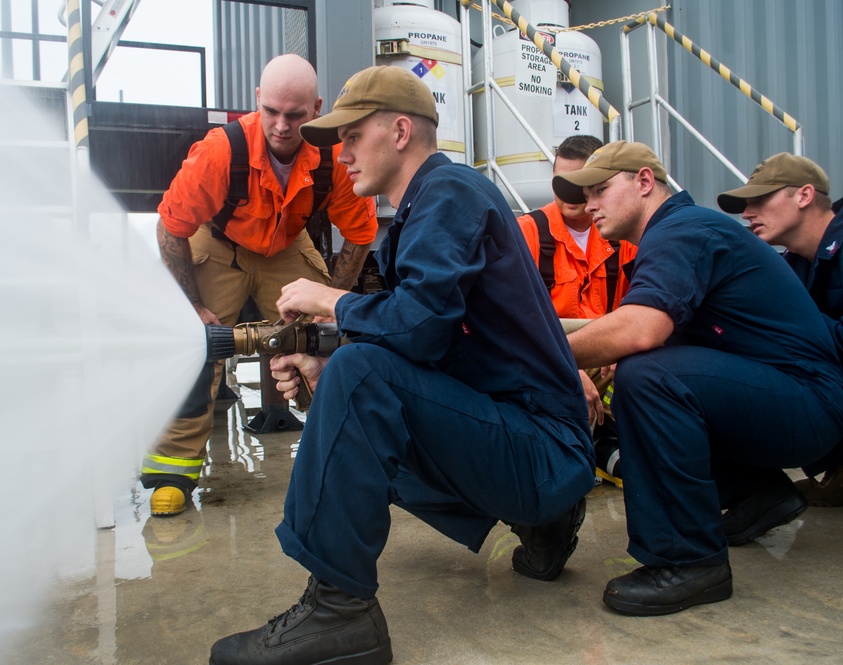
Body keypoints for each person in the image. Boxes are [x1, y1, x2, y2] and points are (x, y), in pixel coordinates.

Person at [208, 65, 593, 665]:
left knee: (359, 371)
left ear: (401, 130)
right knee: (353, 376)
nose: (343, 153)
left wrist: (330, 300)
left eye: (353, 137)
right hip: (532, 450)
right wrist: (321, 372)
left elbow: (415, 326)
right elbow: (429, 349)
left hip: (543, 451)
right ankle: (543, 522)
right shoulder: (427, 207)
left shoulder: (449, 193)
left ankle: (341, 610)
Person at [554, 141, 843, 616]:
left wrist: (548, 356)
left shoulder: (682, 230)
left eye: (601, 190)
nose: (589, 206)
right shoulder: (682, 233)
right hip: (793, 402)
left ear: (644, 182)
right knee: (654, 373)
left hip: (806, 404)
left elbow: (642, 328)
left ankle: (688, 560)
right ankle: (758, 495)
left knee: (647, 376)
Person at [143, 54, 378, 516]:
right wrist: (193, 305)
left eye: (295, 115)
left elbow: (359, 236)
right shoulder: (220, 152)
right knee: (196, 345)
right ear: (257, 101)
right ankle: (172, 469)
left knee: (325, 339)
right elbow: (171, 227)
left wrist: (331, 304)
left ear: (316, 108)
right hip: (220, 243)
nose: (282, 126)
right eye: (271, 112)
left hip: (286, 247)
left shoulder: (335, 157)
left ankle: (342, 446)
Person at [717, 153, 843, 506]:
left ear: (803, 196)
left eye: (759, 200)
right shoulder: (792, 264)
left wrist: (788, 321)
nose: (746, 213)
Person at [517, 134, 638, 488]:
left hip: (607, 364)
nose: (568, 192)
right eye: (561, 182)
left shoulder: (624, 242)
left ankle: (608, 445)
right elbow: (512, 325)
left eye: (579, 183)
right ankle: (582, 449)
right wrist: (570, 371)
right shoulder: (527, 233)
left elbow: (642, 314)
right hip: (544, 360)